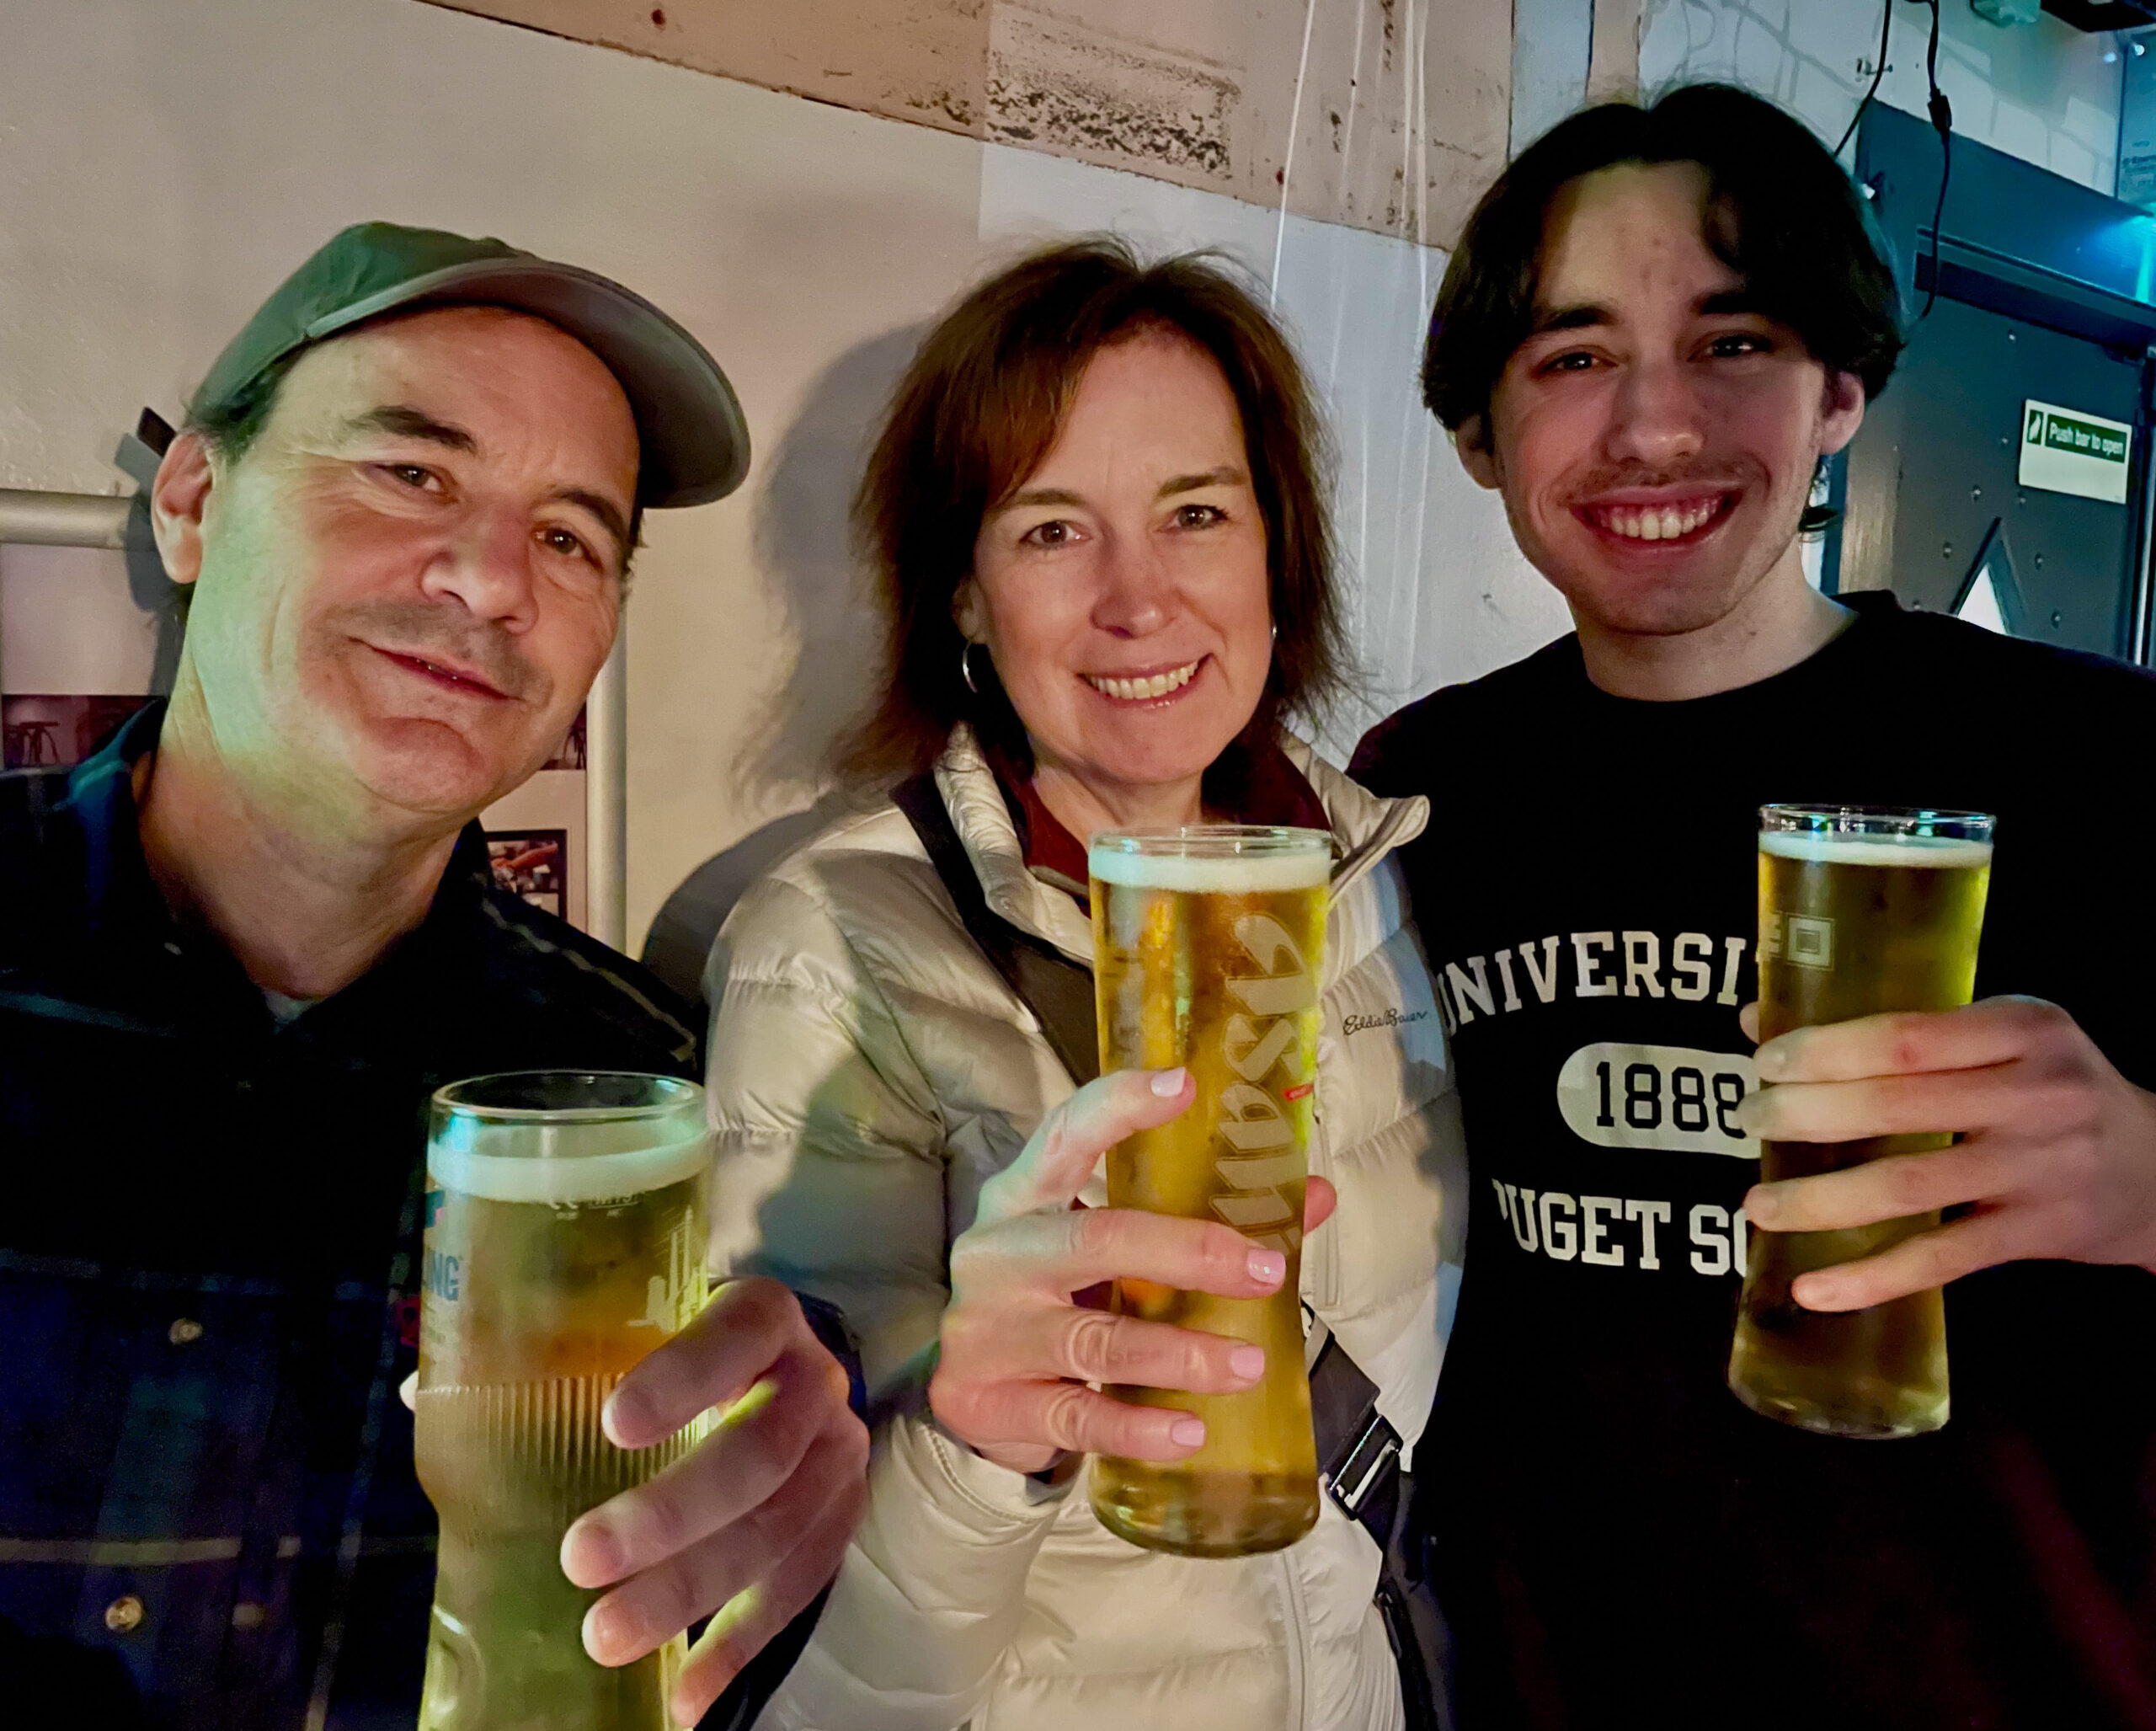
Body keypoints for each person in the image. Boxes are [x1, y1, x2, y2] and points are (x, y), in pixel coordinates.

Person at [1350, 85, 2156, 1729]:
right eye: (1571, 357)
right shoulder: (1419, 787)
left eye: (1731, 344)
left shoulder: (2097, 761)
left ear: (1840, 389)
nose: (1653, 428)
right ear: (1478, 432)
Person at [0, 222, 867, 1729]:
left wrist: (790, 1497)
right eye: (410, 473)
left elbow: (683, 1634)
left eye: (571, 539)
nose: (490, 580)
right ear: (193, 501)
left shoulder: (642, 1084)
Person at [701, 240, 1466, 1731]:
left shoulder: (1385, 876)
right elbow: (800, 1652)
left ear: (1276, 552)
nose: (1140, 598)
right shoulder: (835, 940)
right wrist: (982, 1448)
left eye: (1198, 513)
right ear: (964, 595)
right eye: (1054, 531)